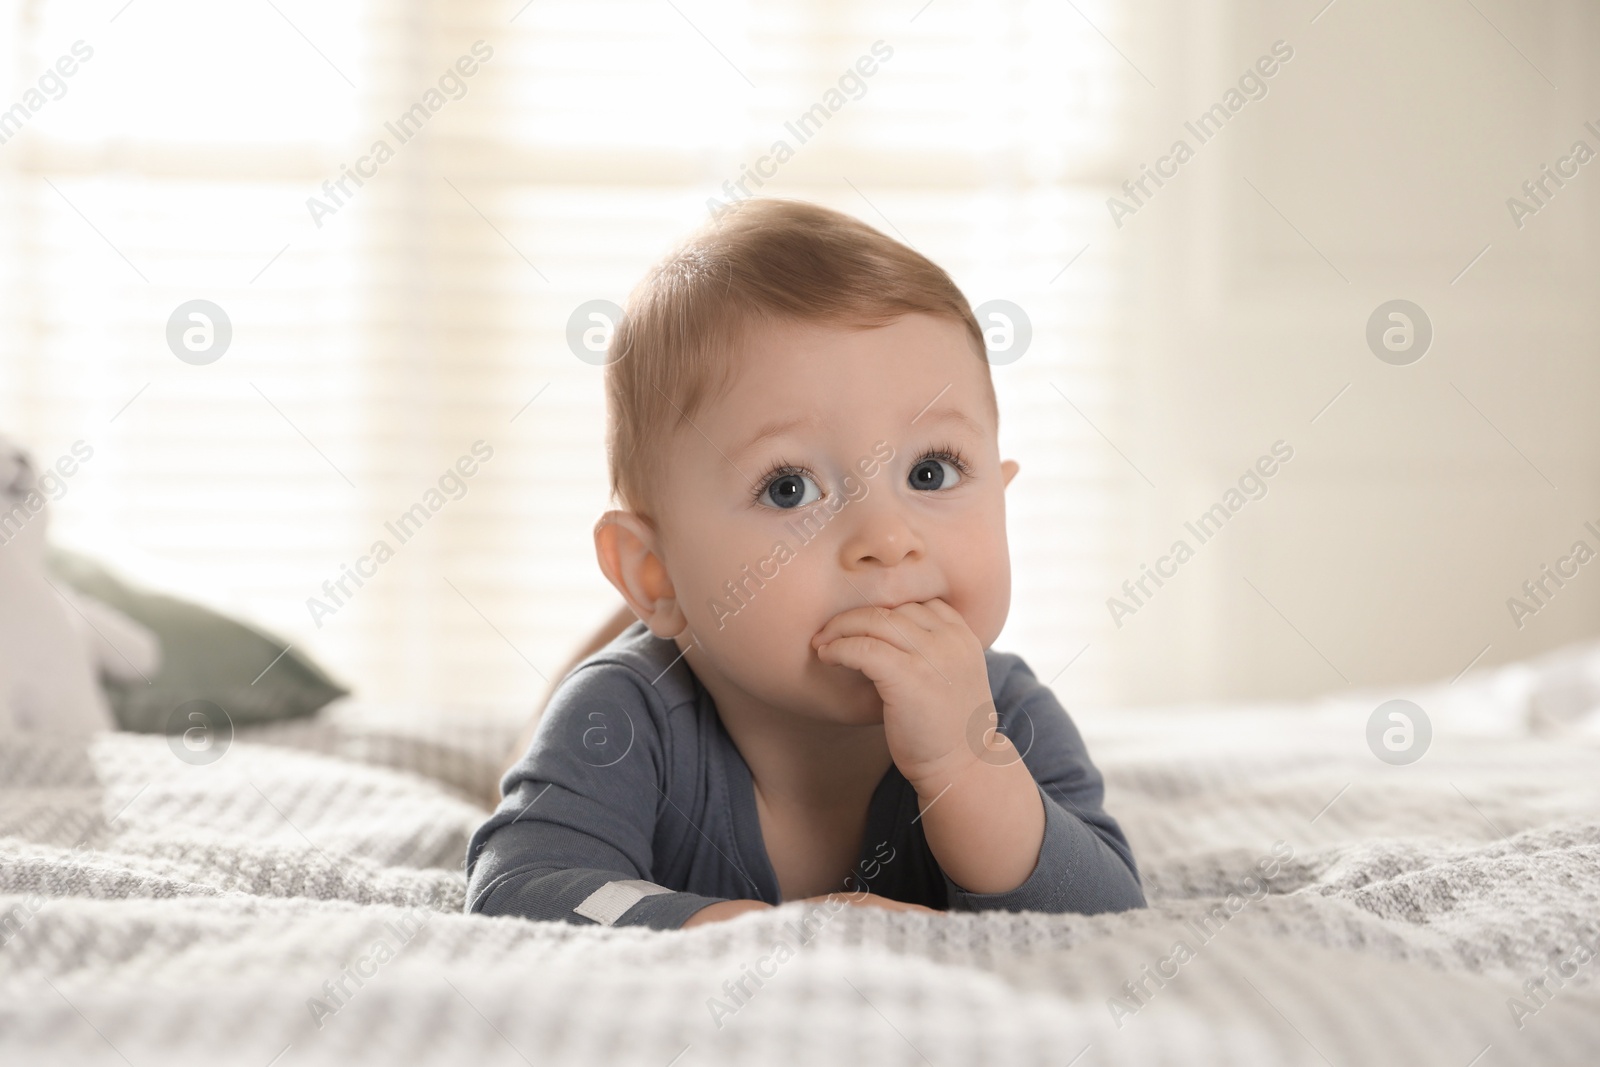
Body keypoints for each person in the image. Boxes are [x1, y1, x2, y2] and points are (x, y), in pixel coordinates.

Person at [464, 198, 1145, 930]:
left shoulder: (999, 712)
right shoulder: (624, 719)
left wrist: (969, 770)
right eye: (789, 488)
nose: (888, 538)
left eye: (932, 472)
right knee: (541, 752)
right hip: (650, 658)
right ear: (652, 570)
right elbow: (519, 886)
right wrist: (744, 928)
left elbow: (1108, 911)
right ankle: (573, 692)